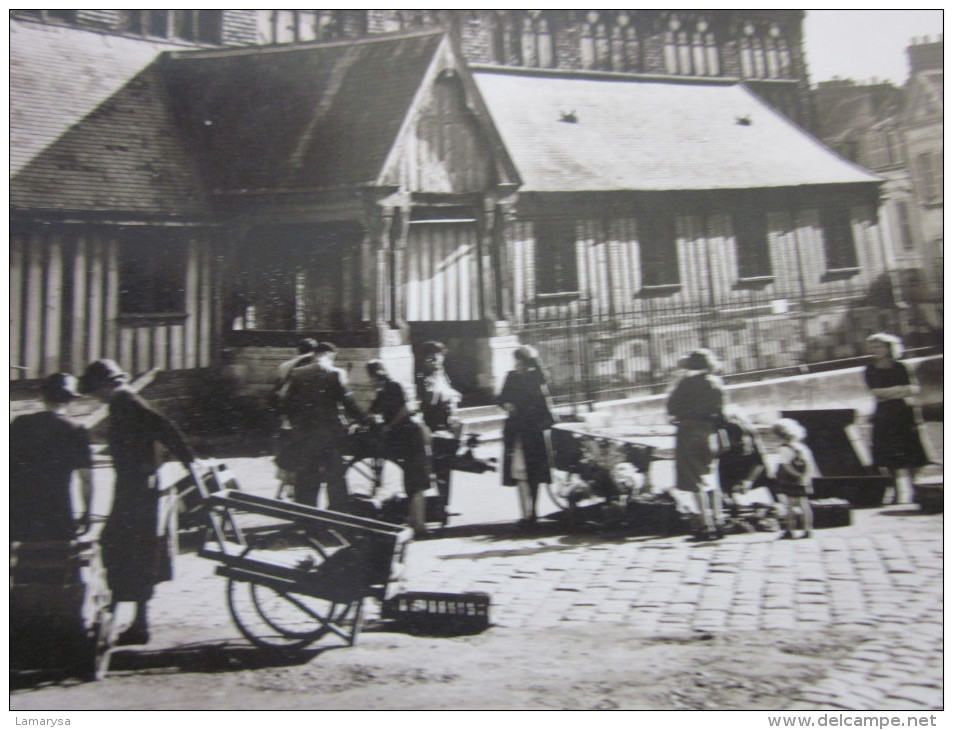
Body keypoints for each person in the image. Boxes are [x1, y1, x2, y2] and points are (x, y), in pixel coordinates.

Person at [78, 359, 195, 646]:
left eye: (96, 391)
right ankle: (132, 620)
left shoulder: (125, 401)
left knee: (121, 547)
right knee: (130, 549)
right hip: (136, 487)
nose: (97, 398)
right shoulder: (125, 401)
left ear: (108, 385)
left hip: (137, 490)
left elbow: (164, 427)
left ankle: (131, 621)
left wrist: (190, 462)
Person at [280, 341, 364, 510]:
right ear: (331, 355)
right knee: (335, 475)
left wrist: (296, 423)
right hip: (330, 434)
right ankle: (337, 513)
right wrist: (363, 419)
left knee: (306, 476)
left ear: (315, 354)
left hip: (305, 434)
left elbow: (285, 402)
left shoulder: (297, 373)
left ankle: (306, 515)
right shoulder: (336, 374)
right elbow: (348, 402)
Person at [11, 373, 95, 543]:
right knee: (59, 562)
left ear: (42, 396)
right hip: (58, 514)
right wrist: (87, 512)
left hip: (18, 513)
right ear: (71, 400)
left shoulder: (19, 424)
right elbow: (86, 479)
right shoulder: (77, 430)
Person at [367, 359, 434, 537]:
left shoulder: (394, 386)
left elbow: (405, 409)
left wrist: (388, 427)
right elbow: (372, 412)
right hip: (402, 439)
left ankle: (420, 525)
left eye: (373, 376)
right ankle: (414, 522)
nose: (372, 381)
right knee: (410, 481)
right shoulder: (382, 391)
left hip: (412, 436)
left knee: (416, 481)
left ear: (379, 373)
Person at [864, 333, 930, 505]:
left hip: (904, 413)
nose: (874, 350)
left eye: (878, 346)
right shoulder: (870, 368)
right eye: (872, 347)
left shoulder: (901, 366)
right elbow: (875, 393)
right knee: (885, 455)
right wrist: (898, 391)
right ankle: (895, 492)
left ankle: (915, 490)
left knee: (911, 452)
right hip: (884, 414)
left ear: (888, 348)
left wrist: (888, 392)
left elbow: (912, 389)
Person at [667, 348, 726, 542]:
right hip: (709, 433)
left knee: (695, 480)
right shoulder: (717, 383)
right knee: (712, 477)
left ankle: (705, 525)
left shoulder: (685, 383)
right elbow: (722, 413)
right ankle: (719, 520)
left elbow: (672, 408)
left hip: (688, 433)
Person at [497, 345, 555, 528]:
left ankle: (534, 511)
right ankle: (525, 513)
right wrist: (507, 405)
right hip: (516, 432)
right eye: (516, 360)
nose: (518, 364)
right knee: (519, 472)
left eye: (521, 360)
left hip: (533, 432)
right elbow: (500, 398)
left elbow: (546, 408)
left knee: (534, 474)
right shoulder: (511, 377)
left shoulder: (537, 380)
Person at [415, 341, 461, 513]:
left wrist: (451, 399)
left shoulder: (442, 374)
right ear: (427, 359)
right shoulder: (422, 376)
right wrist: (446, 394)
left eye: (439, 358)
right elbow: (429, 400)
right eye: (433, 358)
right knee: (434, 466)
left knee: (446, 466)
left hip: (446, 422)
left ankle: (444, 504)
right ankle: (436, 505)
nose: (437, 362)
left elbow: (449, 392)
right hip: (431, 424)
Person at [273, 338, 318, 498]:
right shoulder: (311, 365)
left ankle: (283, 491)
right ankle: (291, 491)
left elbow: (277, 392)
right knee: (301, 455)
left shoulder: (285, 366)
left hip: (287, 417)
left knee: (289, 455)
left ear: (298, 350)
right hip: (303, 418)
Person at [717, 404, 769, 519]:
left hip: (749, 471)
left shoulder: (750, 433)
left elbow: (760, 460)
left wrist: (748, 481)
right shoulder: (725, 436)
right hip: (734, 471)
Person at [771, 418, 818, 539]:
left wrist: (796, 476)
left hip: (791, 480)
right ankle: (808, 529)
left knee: (790, 505)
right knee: (804, 504)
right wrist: (805, 477)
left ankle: (789, 530)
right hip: (804, 480)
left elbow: (786, 466)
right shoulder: (802, 447)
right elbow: (809, 463)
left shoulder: (783, 449)